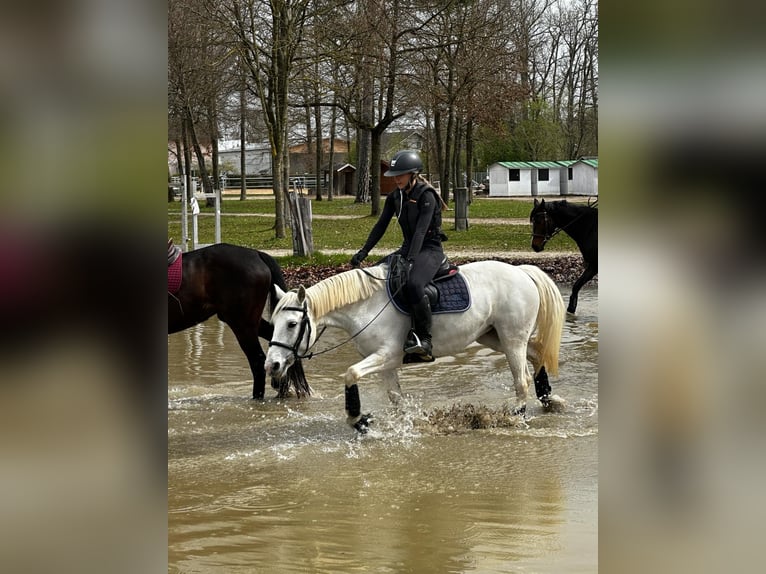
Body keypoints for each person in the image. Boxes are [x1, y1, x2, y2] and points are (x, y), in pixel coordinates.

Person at [350, 150, 447, 361]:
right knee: (375, 277)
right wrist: (364, 251)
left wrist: (411, 260)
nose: (396, 178)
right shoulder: (396, 196)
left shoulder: (426, 195)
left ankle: (424, 340)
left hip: (429, 250)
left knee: (413, 284)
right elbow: (380, 226)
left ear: (413, 173)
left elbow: (421, 231)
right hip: (408, 248)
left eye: (400, 174)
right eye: (394, 175)